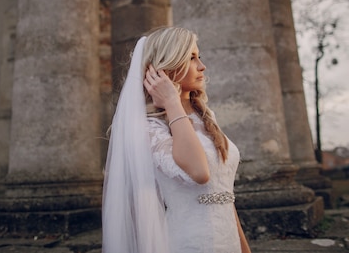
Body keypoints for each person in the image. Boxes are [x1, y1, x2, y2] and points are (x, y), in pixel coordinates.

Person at [102, 26, 251, 253]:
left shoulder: (207, 117)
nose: (202, 66)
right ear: (165, 67)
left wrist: (244, 248)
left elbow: (223, 196)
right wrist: (172, 102)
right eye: (191, 58)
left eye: (198, 57)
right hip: (188, 244)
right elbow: (200, 172)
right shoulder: (149, 128)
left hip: (228, 242)